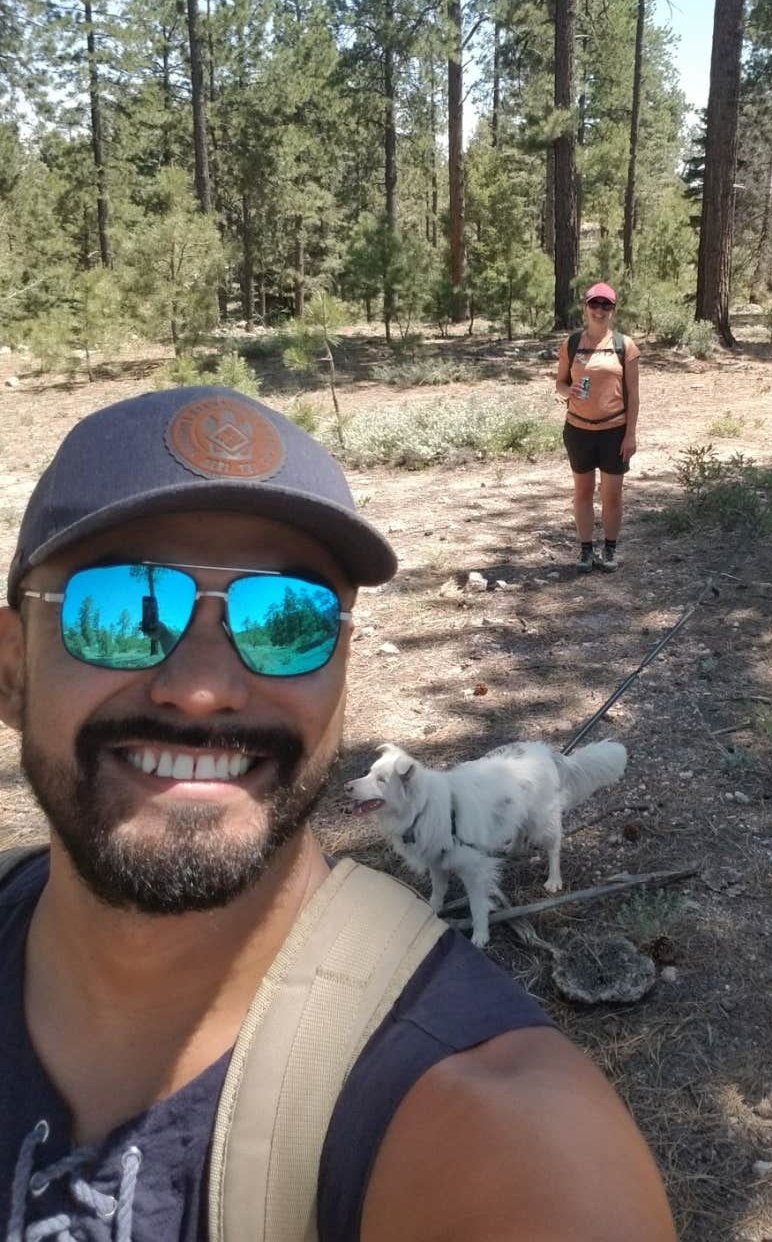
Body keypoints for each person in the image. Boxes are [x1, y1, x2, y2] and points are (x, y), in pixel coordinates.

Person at [0, 387, 676, 1240]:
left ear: (344, 665)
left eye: (289, 623)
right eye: (123, 612)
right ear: (12, 668)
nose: (205, 688)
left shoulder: (495, 1126)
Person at [554, 282, 641, 574]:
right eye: (595, 304)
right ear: (585, 308)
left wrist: (630, 435)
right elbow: (560, 384)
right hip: (578, 429)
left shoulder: (624, 346)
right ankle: (585, 550)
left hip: (614, 430)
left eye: (607, 306)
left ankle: (610, 549)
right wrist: (570, 391)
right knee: (582, 491)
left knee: (612, 494)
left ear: (613, 310)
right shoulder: (571, 343)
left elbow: (634, 394)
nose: (600, 311)